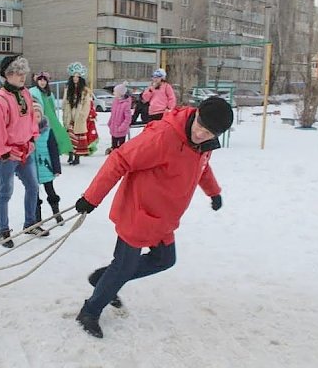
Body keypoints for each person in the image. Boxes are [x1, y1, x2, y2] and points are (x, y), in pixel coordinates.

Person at [73, 97, 234, 339]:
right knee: (123, 266)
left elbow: (201, 166)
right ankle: (90, 311)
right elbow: (120, 159)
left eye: (209, 133)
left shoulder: (203, 144)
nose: (201, 134)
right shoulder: (163, 136)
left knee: (165, 259)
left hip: (163, 217)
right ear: (197, 113)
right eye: (201, 126)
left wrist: (214, 192)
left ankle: (103, 278)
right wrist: (91, 198)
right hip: (138, 213)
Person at [0, 55, 47, 249]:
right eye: (17, 73)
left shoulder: (26, 94)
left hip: (25, 150)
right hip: (8, 155)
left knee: (33, 187)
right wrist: (4, 152)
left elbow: (31, 120)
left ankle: (30, 223)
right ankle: (3, 230)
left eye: (23, 72)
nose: (22, 77)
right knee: (5, 191)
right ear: (7, 75)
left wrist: (32, 139)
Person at [31, 103, 63, 225]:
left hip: (46, 167)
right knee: (34, 193)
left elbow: (54, 151)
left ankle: (57, 214)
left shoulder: (48, 132)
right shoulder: (27, 132)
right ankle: (37, 218)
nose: (36, 119)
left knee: (50, 191)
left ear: (42, 116)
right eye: (33, 116)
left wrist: (56, 168)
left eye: (38, 116)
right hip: (32, 168)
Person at [29, 71, 73, 156]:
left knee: (60, 133)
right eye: (40, 80)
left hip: (51, 117)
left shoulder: (49, 93)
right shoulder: (33, 92)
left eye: (44, 80)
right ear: (37, 81)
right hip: (39, 116)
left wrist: (54, 117)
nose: (42, 82)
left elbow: (52, 106)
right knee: (43, 136)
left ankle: (67, 151)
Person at [62, 62, 92, 165]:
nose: (75, 78)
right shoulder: (68, 89)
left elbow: (86, 105)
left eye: (78, 76)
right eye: (74, 76)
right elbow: (64, 102)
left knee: (77, 138)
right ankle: (70, 155)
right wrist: (64, 112)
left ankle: (77, 157)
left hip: (78, 117)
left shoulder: (84, 91)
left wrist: (82, 116)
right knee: (69, 137)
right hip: (69, 116)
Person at [106, 83, 132, 154]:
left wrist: (122, 127)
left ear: (120, 93)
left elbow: (128, 118)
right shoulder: (115, 102)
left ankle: (120, 159)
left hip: (121, 131)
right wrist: (110, 123)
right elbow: (113, 114)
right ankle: (114, 158)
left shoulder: (126, 104)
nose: (114, 93)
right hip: (114, 129)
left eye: (115, 91)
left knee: (121, 147)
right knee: (114, 146)